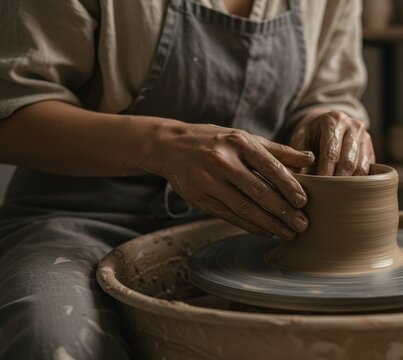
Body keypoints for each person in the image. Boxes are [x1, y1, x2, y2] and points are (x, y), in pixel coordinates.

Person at [0, 0, 373, 358]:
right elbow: (12, 115)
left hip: (255, 223)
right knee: (51, 343)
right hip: (79, 217)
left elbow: (326, 96)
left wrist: (327, 123)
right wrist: (161, 145)